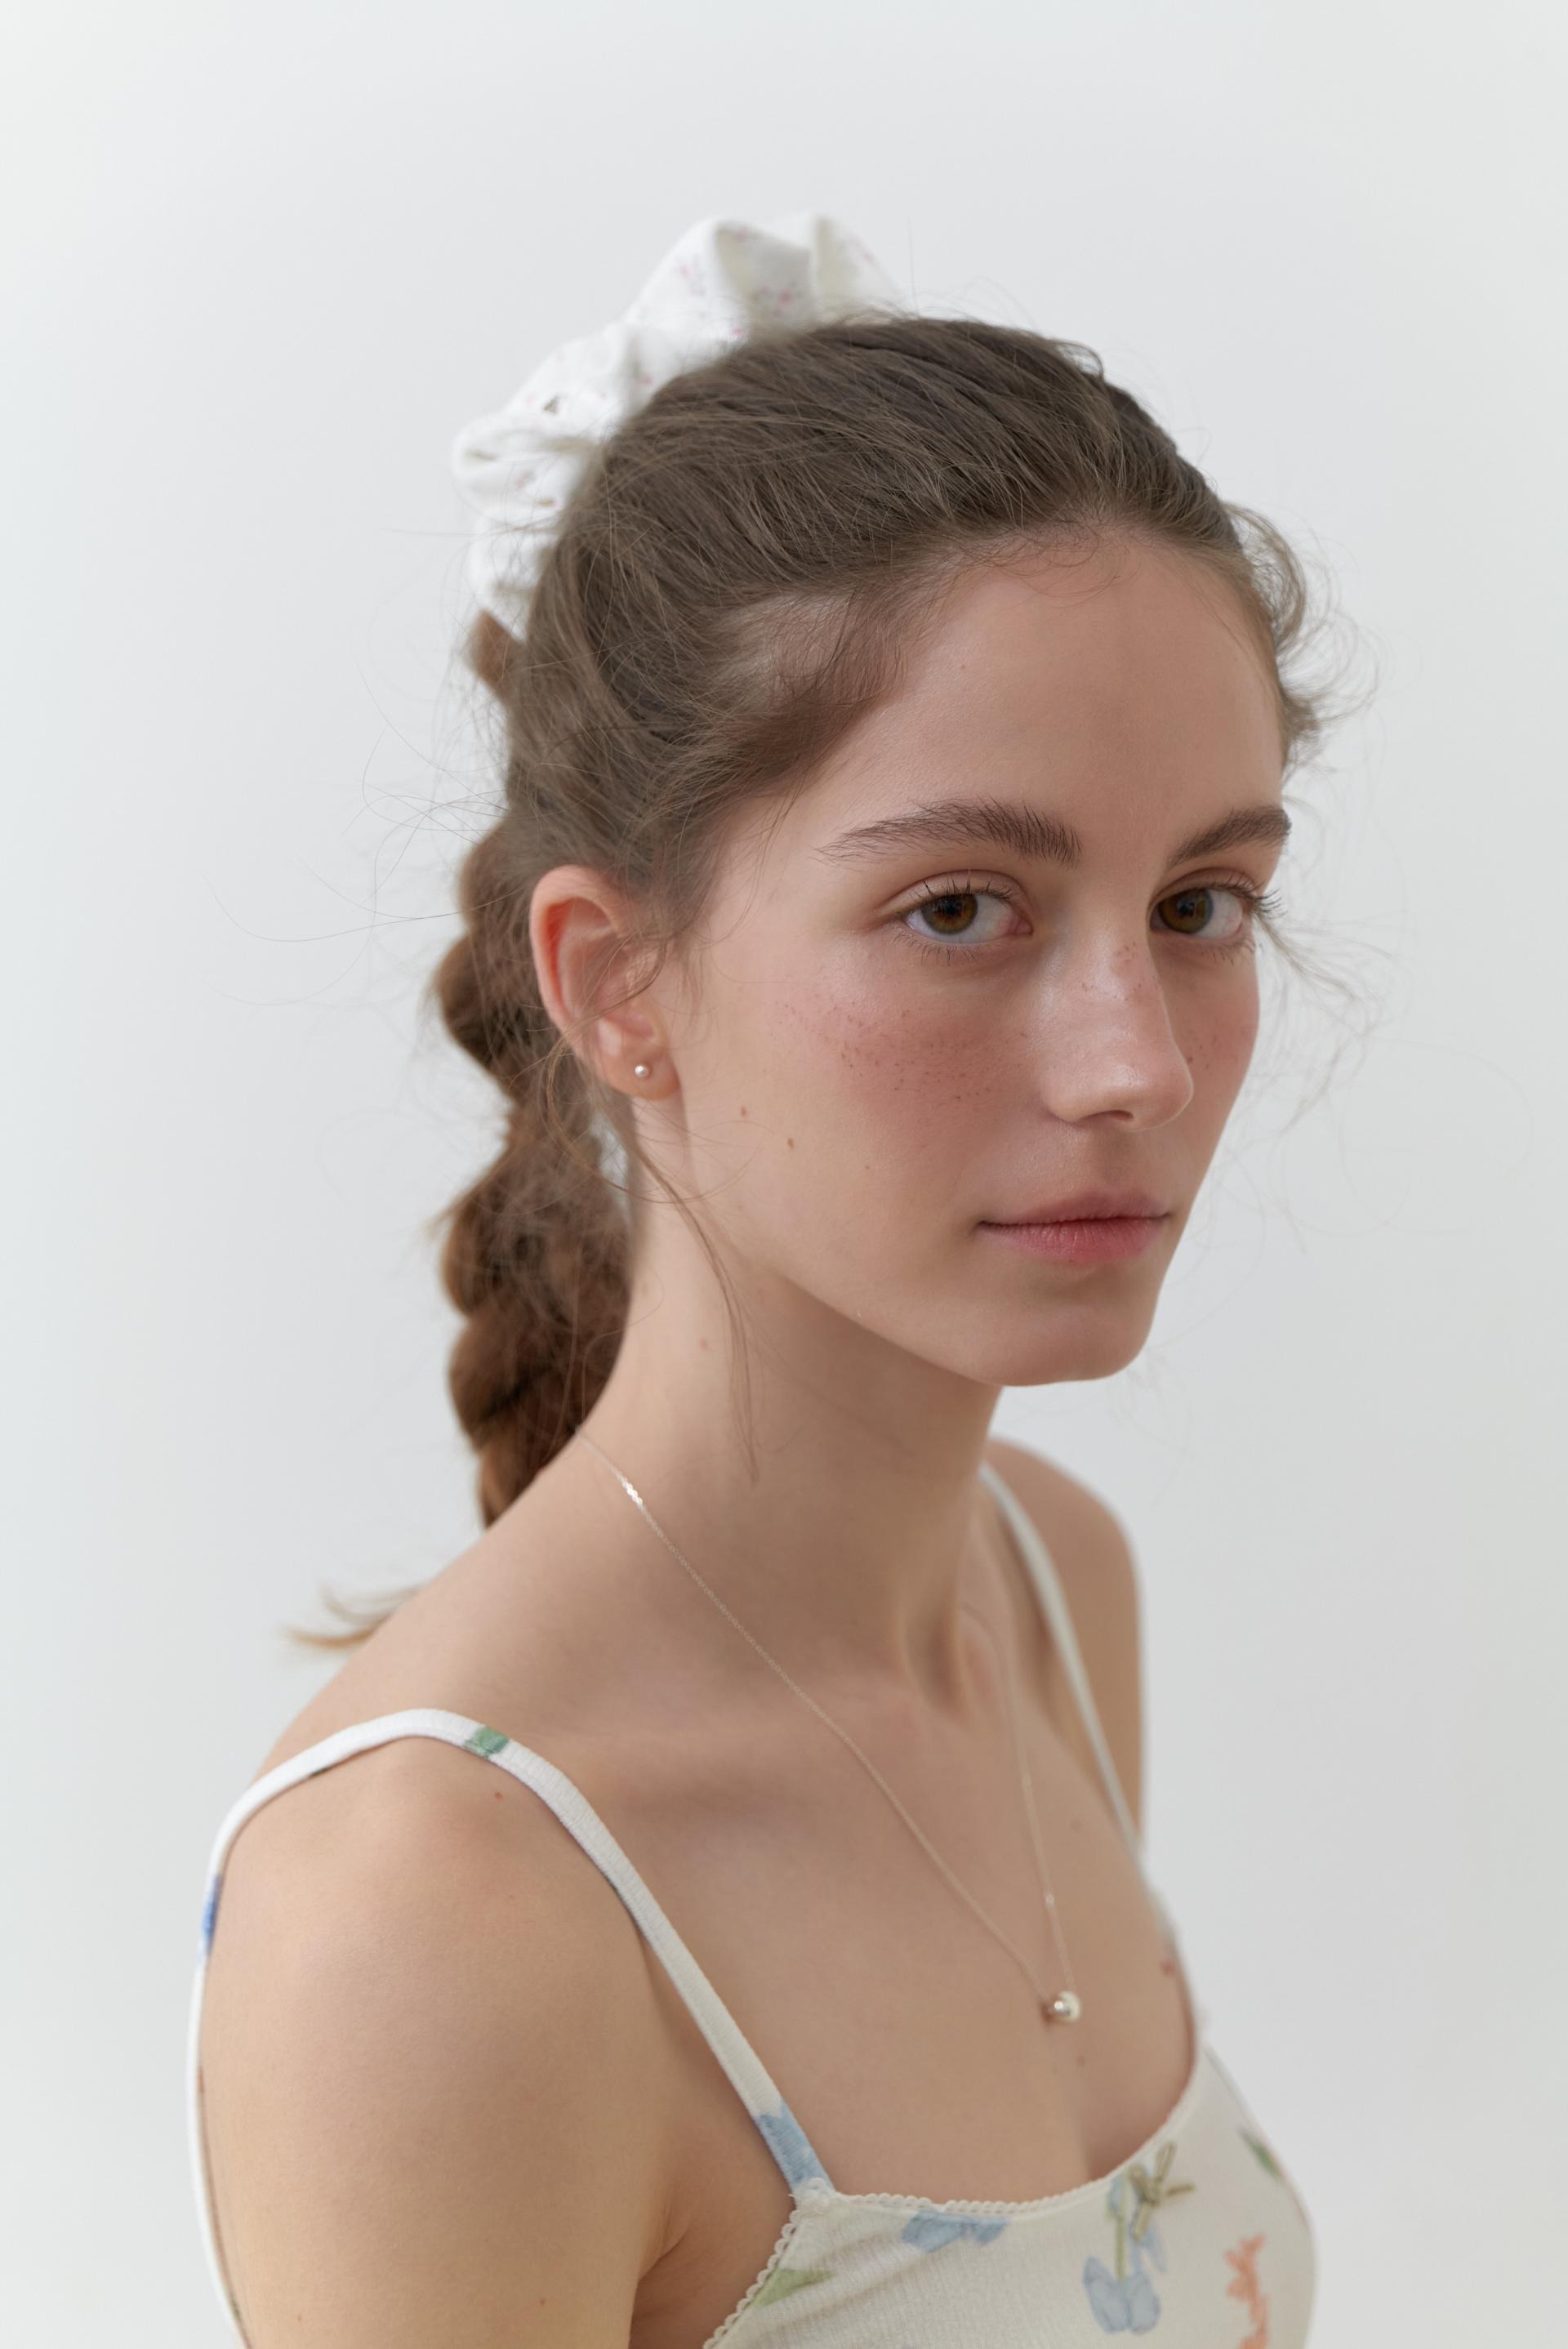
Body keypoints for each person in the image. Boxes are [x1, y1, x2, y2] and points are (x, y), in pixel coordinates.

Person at [186, 213, 1322, 2346]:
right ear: (618, 983)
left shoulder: (1049, 1592)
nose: (1137, 1067)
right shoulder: (428, 1912)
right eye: (963, 907)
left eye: (1201, 902)